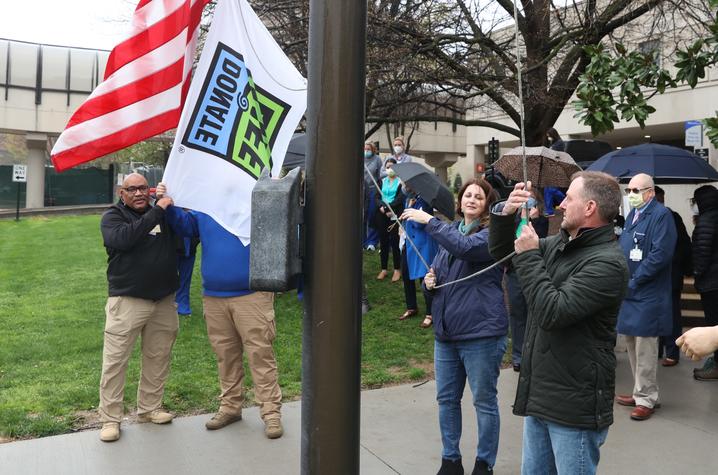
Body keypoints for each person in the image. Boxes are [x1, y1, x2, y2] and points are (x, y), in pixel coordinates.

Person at [488, 171, 629, 475]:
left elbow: (553, 312)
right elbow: (502, 254)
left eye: (569, 198)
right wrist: (505, 214)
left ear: (590, 207)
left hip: (574, 408)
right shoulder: (558, 245)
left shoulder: (607, 263)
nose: (561, 204)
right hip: (541, 395)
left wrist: (527, 257)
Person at [157, 183, 284, 439]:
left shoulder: (257, 209)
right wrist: (167, 203)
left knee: (260, 356)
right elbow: (185, 225)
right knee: (225, 357)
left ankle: (271, 413)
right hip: (214, 297)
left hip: (252, 295)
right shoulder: (206, 212)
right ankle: (230, 406)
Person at [402, 178, 508, 475]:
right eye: (467, 195)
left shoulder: (491, 235)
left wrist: (429, 221)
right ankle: (451, 460)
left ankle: (484, 463)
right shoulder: (451, 235)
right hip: (446, 334)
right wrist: (429, 284)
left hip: (481, 334)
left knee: (484, 401)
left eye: (479, 196)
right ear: (460, 202)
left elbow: (467, 249)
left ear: (487, 204)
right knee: (447, 399)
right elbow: (441, 279)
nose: (472, 199)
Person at [98, 173, 179, 443]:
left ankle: (149, 409)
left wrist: (169, 202)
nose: (138, 193)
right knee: (115, 362)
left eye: (143, 188)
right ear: (122, 193)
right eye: (131, 189)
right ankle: (110, 419)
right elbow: (124, 240)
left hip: (163, 300)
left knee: (158, 357)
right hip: (127, 300)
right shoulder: (113, 217)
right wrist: (157, 210)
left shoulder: (162, 212)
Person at [615, 173, 676, 421]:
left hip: (647, 292)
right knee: (630, 343)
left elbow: (660, 255)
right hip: (630, 291)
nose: (631, 195)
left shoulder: (662, 216)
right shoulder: (633, 215)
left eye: (636, 190)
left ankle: (647, 398)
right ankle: (640, 391)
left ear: (650, 192)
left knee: (645, 348)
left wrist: (636, 279)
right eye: (629, 190)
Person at [505, 191, 548, 372]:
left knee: (534, 313)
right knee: (517, 313)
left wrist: (534, 219)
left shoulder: (541, 221)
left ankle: (535, 354)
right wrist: (520, 215)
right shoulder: (513, 222)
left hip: (533, 271)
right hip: (515, 272)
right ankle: (518, 355)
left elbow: (539, 242)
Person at [654, 186, 692, 367]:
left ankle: (672, 352)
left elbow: (684, 245)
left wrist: (684, 268)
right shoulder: (645, 219)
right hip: (654, 276)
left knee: (671, 315)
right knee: (656, 314)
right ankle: (659, 350)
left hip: (670, 275)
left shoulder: (672, 217)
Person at [689, 184, 718, 380]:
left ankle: (716, 367)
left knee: (713, 324)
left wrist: (696, 272)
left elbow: (703, 251)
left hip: (712, 283)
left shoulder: (707, 220)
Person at [398, 188, 438, 327]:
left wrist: (410, 210)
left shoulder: (425, 201)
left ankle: (430, 313)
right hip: (409, 243)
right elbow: (405, 220)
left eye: (407, 184)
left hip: (423, 245)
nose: (405, 186)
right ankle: (411, 307)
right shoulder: (408, 198)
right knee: (406, 273)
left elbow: (419, 224)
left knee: (425, 278)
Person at [375, 158, 404, 282]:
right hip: (382, 214)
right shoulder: (381, 181)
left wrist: (388, 208)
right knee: (383, 241)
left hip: (394, 214)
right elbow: (376, 197)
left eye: (391, 166)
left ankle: (397, 269)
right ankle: (384, 269)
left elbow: (399, 199)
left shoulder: (400, 183)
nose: (389, 169)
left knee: (395, 241)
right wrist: (381, 206)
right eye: (387, 167)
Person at [363, 142, 383, 250]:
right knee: (362, 216)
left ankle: (372, 241)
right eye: (365, 149)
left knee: (372, 215)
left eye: (368, 149)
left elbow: (381, 174)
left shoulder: (377, 159)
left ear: (373, 150)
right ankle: (362, 241)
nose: (366, 151)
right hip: (362, 190)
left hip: (373, 190)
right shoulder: (360, 158)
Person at [175, 236, 199, 316]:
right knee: (167, 278)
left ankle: (182, 305)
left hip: (189, 246)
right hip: (170, 246)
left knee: (185, 279)